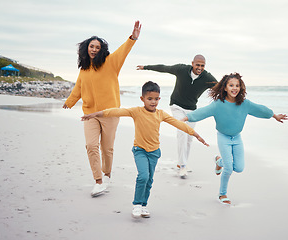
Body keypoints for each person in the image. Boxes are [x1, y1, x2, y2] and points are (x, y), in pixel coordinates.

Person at [81, 81, 209, 218]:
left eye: (156, 99)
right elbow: (116, 111)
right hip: (140, 150)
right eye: (149, 99)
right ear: (142, 99)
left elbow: (178, 123)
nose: (153, 102)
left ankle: (143, 205)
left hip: (154, 152)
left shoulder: (161, 114)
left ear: (159, 99)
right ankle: (136, 204)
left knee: (149, 180)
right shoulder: (136, 112)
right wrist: (95, 114)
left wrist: (195, 134)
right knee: (143, 176)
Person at [63, 21, 142, 197]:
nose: (94, 49)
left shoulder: (110, 63)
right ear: (86, 48)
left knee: (107, 149)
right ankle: (98, 181)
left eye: (97, 47)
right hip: (90, 114)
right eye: (91, 46)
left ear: (101, 49)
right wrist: (70, 101)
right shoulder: (84, 69)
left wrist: (132, 38)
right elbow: (78, 88)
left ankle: (107, 175)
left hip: (110, 114)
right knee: (91, 145)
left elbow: (123, 51)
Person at [183, 73, 288, 205]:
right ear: (225, 88)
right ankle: (222, 194)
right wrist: (186, 118)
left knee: (238, 168)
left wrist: (274, 115)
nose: (235, 88)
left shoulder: (244, 104)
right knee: (229, 168)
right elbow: (202, 112)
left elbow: (259, 109)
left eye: (237, 85)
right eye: (231, 85)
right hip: (223, 137)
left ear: (241, 88)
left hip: (237, 138)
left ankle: (218, 161)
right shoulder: (218, 105)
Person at [136, 55, 217, 179]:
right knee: (182, 132)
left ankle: (182, 163)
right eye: (197, 65)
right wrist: (146, 67)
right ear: (192, 63)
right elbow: (164, 68)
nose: (200, 68)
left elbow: (221, 88)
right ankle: (183, 165)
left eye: (202, 66)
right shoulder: (181, 69)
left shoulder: (207, 77)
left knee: (190, 137)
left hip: (191, 109)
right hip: (177, 106)